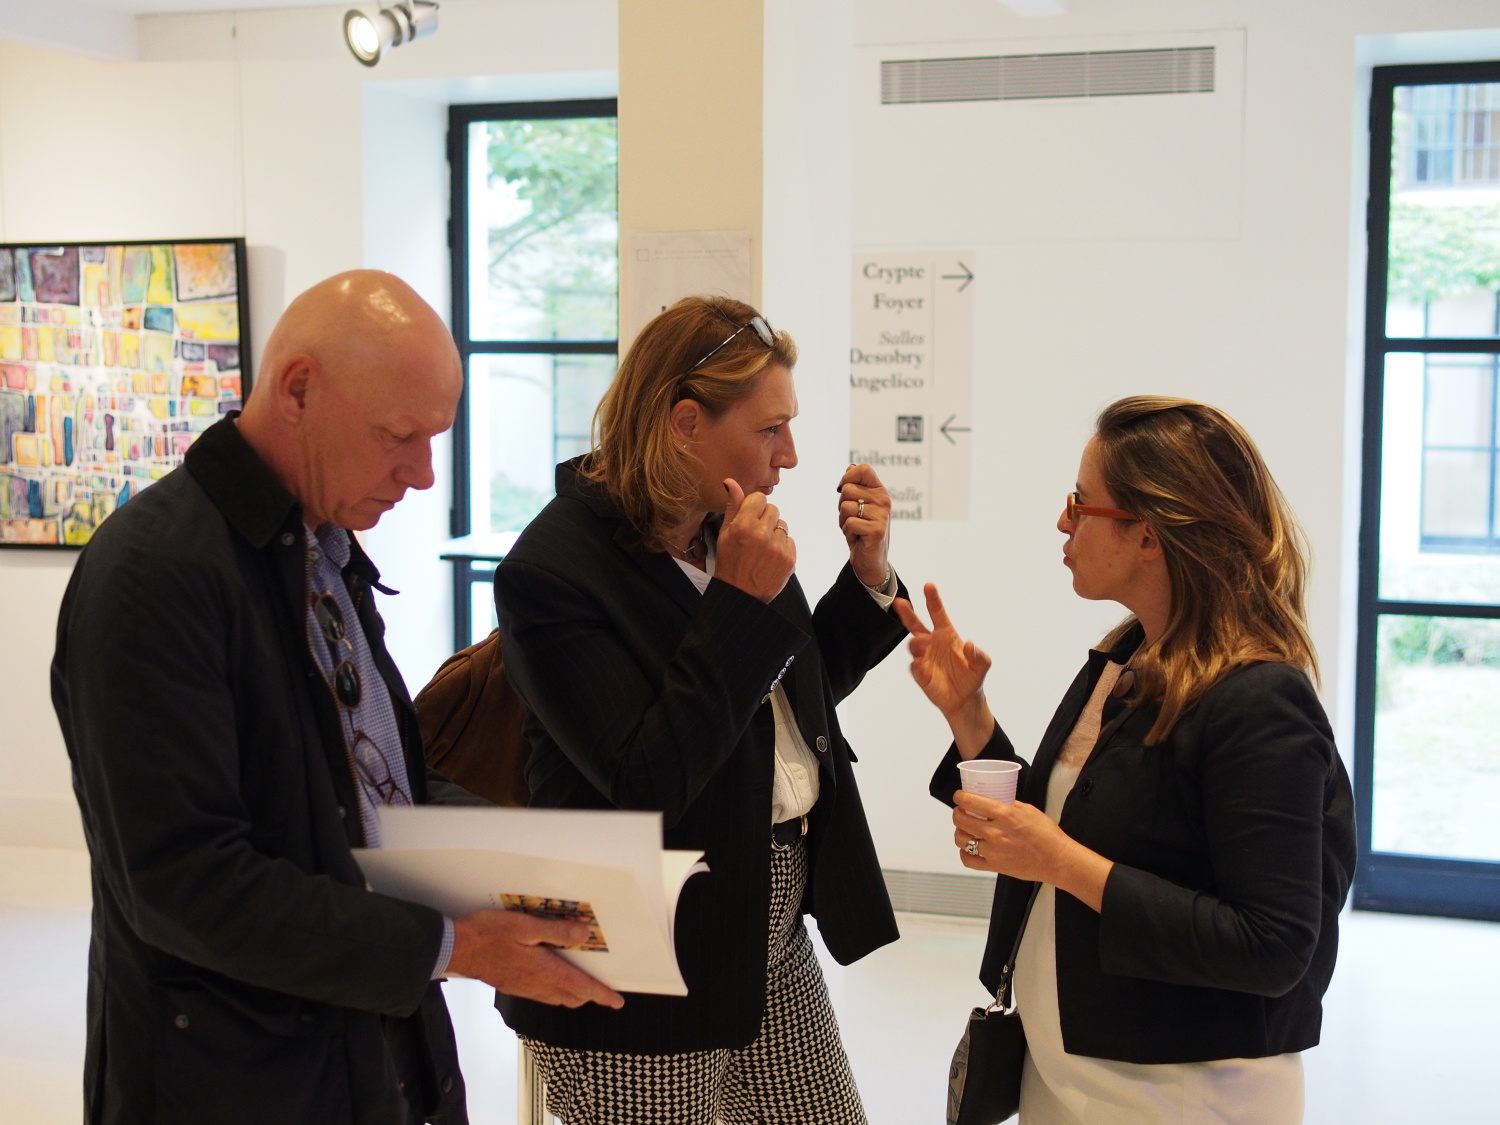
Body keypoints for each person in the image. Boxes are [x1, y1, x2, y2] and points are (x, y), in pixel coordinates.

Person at [51, 270, 622, 1125]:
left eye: (435, 439)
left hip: (367, 1045)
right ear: (298, 389)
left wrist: (535, 860)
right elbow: (185, 883)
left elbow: (372, 788)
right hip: (233, 1077)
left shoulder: (322, 551)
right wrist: (453, 945)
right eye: (399, 435)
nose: (423, 474)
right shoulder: (153, 578)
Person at [492, 295, 908, 1124]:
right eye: (770, 428)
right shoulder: (552, 570)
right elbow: (647, 777)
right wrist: (740, 603)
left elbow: (784, 698)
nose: (790, 454)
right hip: (639, 950)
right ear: (686, 423)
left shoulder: (725, 528)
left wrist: (867, 580)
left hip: (763, 917)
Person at [896, 396, 1356, 1123]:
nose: (1063, 522)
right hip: (1072, 1073)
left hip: (1185, 1095)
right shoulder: (1127, 654)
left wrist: (1060, 862)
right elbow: (1074, 821)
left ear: (1147, 534)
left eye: (1080, 504)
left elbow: (1272, 946)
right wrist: (969, 715)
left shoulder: (1261, 699)